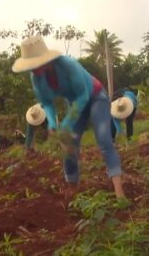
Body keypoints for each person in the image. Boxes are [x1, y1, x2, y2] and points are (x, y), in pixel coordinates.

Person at [12, 35, 125, 198]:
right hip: (75, 105)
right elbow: (47, 103)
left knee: (104, 140)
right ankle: (73, 191)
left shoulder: (68, 65)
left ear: (45, 59)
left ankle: (119, 191)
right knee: (69, 146)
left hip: (95, 97)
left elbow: (83, 96)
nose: (34, 68)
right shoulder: (36, 79)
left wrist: (66, 123)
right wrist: (52, 123)